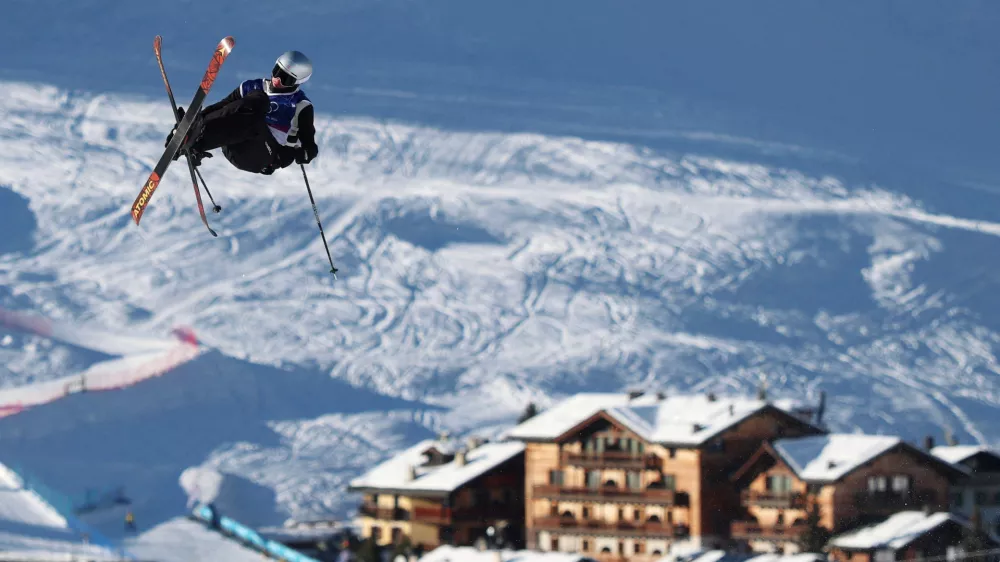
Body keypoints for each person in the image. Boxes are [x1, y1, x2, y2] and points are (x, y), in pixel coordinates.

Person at [167, 50, 319, 175]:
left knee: (259, 100)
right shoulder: (250, 86)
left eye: (285, 78)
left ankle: (198, 138)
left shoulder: (300, 104)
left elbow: (309, 146)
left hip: (262, 153)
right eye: (277, 71)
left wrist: (299, 154)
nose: (277, 79)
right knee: (253, 97)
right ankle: (193, 140)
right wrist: (190, 125)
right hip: (233, 144)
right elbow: (220, 109)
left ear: (298, 82)